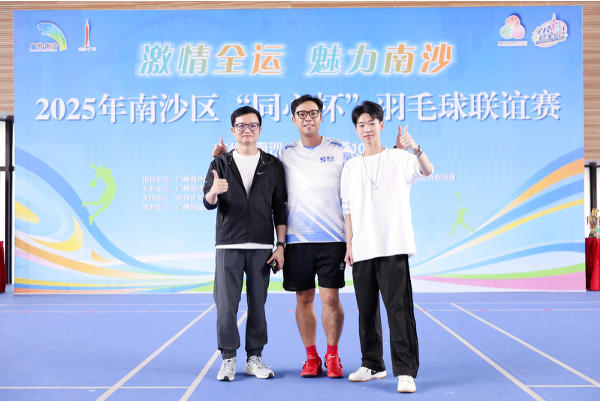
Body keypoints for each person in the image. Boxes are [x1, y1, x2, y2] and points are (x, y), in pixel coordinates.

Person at [212, 95, 355, 378]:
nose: (308, 118)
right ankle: (310, 357)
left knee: (330, 298)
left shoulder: (341, 150)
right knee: (302, 299)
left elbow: (361, 176)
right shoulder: (284, 154)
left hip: (332, 238)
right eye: (301, 114)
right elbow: (250, 189)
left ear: (321, 116)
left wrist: (395, 153)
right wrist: (223, 159)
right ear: (293, 119)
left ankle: (332, 355)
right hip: (296, 240)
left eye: (313, 113)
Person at [340, 101, 433, 393]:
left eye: (372, 123)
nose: (367, 129)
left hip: (393, 246)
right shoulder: (350, 167)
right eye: (361, 124)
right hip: (363, 249)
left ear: (381, 125)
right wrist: (349, 244)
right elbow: (347, 210)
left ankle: (405, 371)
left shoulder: (399, 158)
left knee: (398, 310)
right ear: (356, 130)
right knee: (366, 311)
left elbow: (427, 170)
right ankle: (372, 364)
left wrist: (415, 148)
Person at [203, 106, 287, 382]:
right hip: (228, 244)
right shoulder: (220, 164)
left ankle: (254, 358)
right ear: (233, 130)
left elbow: (279, 208)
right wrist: (213, 192)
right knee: (226, 305)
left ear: (260, 129)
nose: (247, 130)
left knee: (258, 305)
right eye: (241, 126)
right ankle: (228, 358)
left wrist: (281, 245)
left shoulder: (272, 165)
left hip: (261, 246)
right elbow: (208, 202)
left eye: (252, 125)